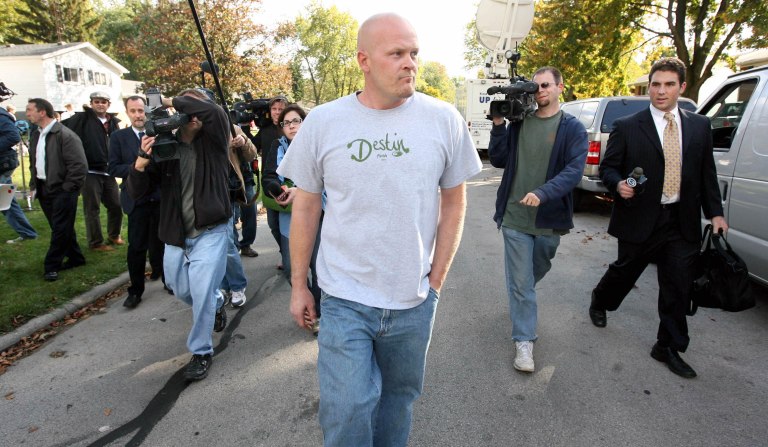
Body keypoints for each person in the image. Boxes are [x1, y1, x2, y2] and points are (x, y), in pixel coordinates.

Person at [278, 13, 482, 446]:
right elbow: (307, 206)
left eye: (414, 54)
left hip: (413, 299)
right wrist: (299, 285)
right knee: (347, 409)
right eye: (397, 54)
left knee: (398, 400)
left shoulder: (443, 120)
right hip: (345, 297)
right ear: (364, 60)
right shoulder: (324, 122)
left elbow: (454, 201)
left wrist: (437, 279)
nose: (410, 63)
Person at [588, 57, 728, 379]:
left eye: (668, 84)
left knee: (678, 286)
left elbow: (706, 174)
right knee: (625, 272)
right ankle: (601, 299)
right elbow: (609, 167)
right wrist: (618, 184)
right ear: (649, 87)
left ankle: (668, 346)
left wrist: (716, 213)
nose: (660, 91)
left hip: (682, 221)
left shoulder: (699, 126)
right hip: (639, 217)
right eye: (655, 84)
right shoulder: (627, 126)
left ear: (681, 87)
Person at [127, 88, 231, 381]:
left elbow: (215, 112)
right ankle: (217, 300)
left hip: (211, 231)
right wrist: (140, 163)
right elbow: (136, 193)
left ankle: (200, 351)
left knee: (199, 292)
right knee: (181, 289)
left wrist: (168, 102)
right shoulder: (166, 147)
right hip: (176, 235)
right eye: (190, 108)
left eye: (197, 107)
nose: (195, 113)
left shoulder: (214, 141)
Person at [488, 67, 588, 373]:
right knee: (521, 284)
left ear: (560, 87)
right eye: (535, 86)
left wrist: (544, 193)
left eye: (546, 85)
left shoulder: (572, 128)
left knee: (534, 272)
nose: (540, 90)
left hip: (548, 218)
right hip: (516, 217)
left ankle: (522, 299)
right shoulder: (520, 124)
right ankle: (524, 342)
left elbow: (573, 171)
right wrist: (498, 125)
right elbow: (499, 159)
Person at [262, 104, 323, 331]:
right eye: (286, 123)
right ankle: (304, 298)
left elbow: (327, 178)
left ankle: (316, 313)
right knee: (290, 268)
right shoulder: (277, 147)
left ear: (304, 122)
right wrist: (280, 190)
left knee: (318, 266)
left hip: (318, 214)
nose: (291, 126)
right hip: (290, 216)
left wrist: (303, 191)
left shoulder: (316, 145)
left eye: (295, 121)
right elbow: (268, 177)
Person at [108, 95, 164, 309]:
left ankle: (167, 278)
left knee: (162, 242)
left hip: (159, 197)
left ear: (147, 111)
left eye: (141, 110)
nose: (138, 115)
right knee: (137, 246)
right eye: (133, 111)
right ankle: (136, 290)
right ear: (127, 113)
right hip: (136, 198)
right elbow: (113, 168)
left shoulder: (159, 134)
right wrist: (137, 166)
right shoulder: (118, 137)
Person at [26, 98, 88, 281]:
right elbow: (34, 163)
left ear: (42, 112)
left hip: (63, 190)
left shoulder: (65, 135)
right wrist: (33, 185)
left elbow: (79, 166)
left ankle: (51, 265)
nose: (27, 113)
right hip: (44, 188)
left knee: (60, 228)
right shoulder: (37, 134)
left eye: (30, 110)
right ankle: (76, 258)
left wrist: (68, 189)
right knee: (60, 227)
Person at [62, 91, 123, 251]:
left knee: (116, 205)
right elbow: (64, 133)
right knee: (92, 208)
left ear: (108, 104)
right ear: (91, 103)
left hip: (108, 171)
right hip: (89, 171)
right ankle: (96, 243)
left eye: (103, 101)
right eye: (97, 101)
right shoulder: (81, 119)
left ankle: (114, 235)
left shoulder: (113, 121)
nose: (100, 104)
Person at [220, 125, 257, 308]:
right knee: (222, 243)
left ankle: (236, 285)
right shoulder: (188, 129)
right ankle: (223, 285)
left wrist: (243, 142)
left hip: (228, 191)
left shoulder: (231, 128)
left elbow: (251, 154)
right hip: (204, 196)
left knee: (227, 243)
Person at [1, 89, 38, 244]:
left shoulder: (1, 116)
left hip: (2, 163)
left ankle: (28, 233)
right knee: (5, 201)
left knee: (5, 201)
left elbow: (13, 136)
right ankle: (27, 232)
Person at [256, 96, 287, 268]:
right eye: (274, 109)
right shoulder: (265, 130)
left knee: (287, 225)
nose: (277, 113)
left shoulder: (289, 128)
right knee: (273, 224)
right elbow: (251, 146)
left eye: (280, 109)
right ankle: (285, 252)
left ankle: (291, 256)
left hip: (286, 182)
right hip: (269, 182)